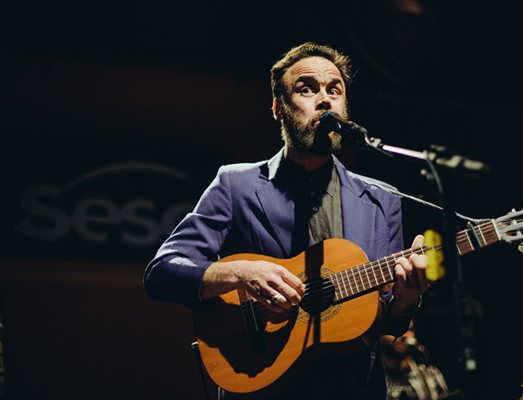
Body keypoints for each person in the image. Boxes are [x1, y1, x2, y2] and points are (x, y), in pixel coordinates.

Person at [144, 42, 430, 400]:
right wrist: (240, 273)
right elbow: (163, 272)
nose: (324, 100)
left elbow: (385, 319)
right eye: (307, 88)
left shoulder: (382, 199)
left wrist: (406, 299)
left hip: (354, 390)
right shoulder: (236, 185)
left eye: (334, 89)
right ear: (279, 109)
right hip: (262, 383)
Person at [380, 321, 451, 400]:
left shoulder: (430, 374)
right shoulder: (372, 379)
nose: (403, 335)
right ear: (379, 336)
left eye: (409, 329)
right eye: (394, 330)